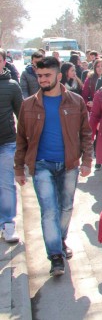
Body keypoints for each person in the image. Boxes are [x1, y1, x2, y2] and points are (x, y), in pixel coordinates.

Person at [14, 56, 93, 276]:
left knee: (66, 208)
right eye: (39, 76)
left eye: (47, 75)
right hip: (41, 165)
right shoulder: (28, 104)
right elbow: (21, 139)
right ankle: (55, 255)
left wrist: (87, 160)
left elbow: (86, 133)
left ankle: (59, 240)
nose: (42, 79)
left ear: (58, 76)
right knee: (49, 211)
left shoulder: (75, 101)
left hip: (69, 164)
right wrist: (19, 168)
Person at [0, 49, 23, 243]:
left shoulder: (12, 86)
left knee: (7, 184)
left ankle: (8, 224)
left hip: (7, 142)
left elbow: (21, 115)